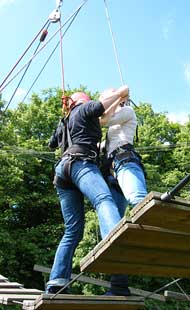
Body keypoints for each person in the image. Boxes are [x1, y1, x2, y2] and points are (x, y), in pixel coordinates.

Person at [46, 87, 131, 296]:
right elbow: (101, 106)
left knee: (72, 231)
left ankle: (56, 283)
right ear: (83, 102)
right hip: (81, 164)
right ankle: (115, 250)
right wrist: (122, 92)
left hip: (63, 174)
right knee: (104, 200)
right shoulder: (85, 109)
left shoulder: (66, 121)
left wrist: (64, 116)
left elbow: (51, 144)